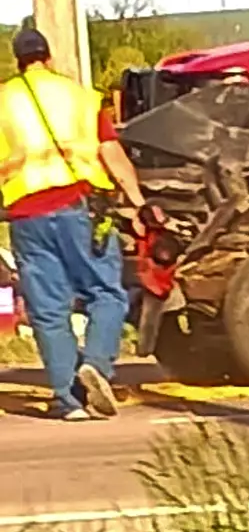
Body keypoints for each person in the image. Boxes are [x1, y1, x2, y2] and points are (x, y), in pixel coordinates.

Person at [0, 29, 152, 421]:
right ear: (48, 57)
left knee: (49, 311)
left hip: (26, 216)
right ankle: (97, 367)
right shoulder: (80, 97)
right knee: (107, 294)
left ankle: (69, 403)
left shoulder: (2, 102)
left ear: (18, 61)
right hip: (79, 209)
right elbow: (111, 151)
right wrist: (139, 202)